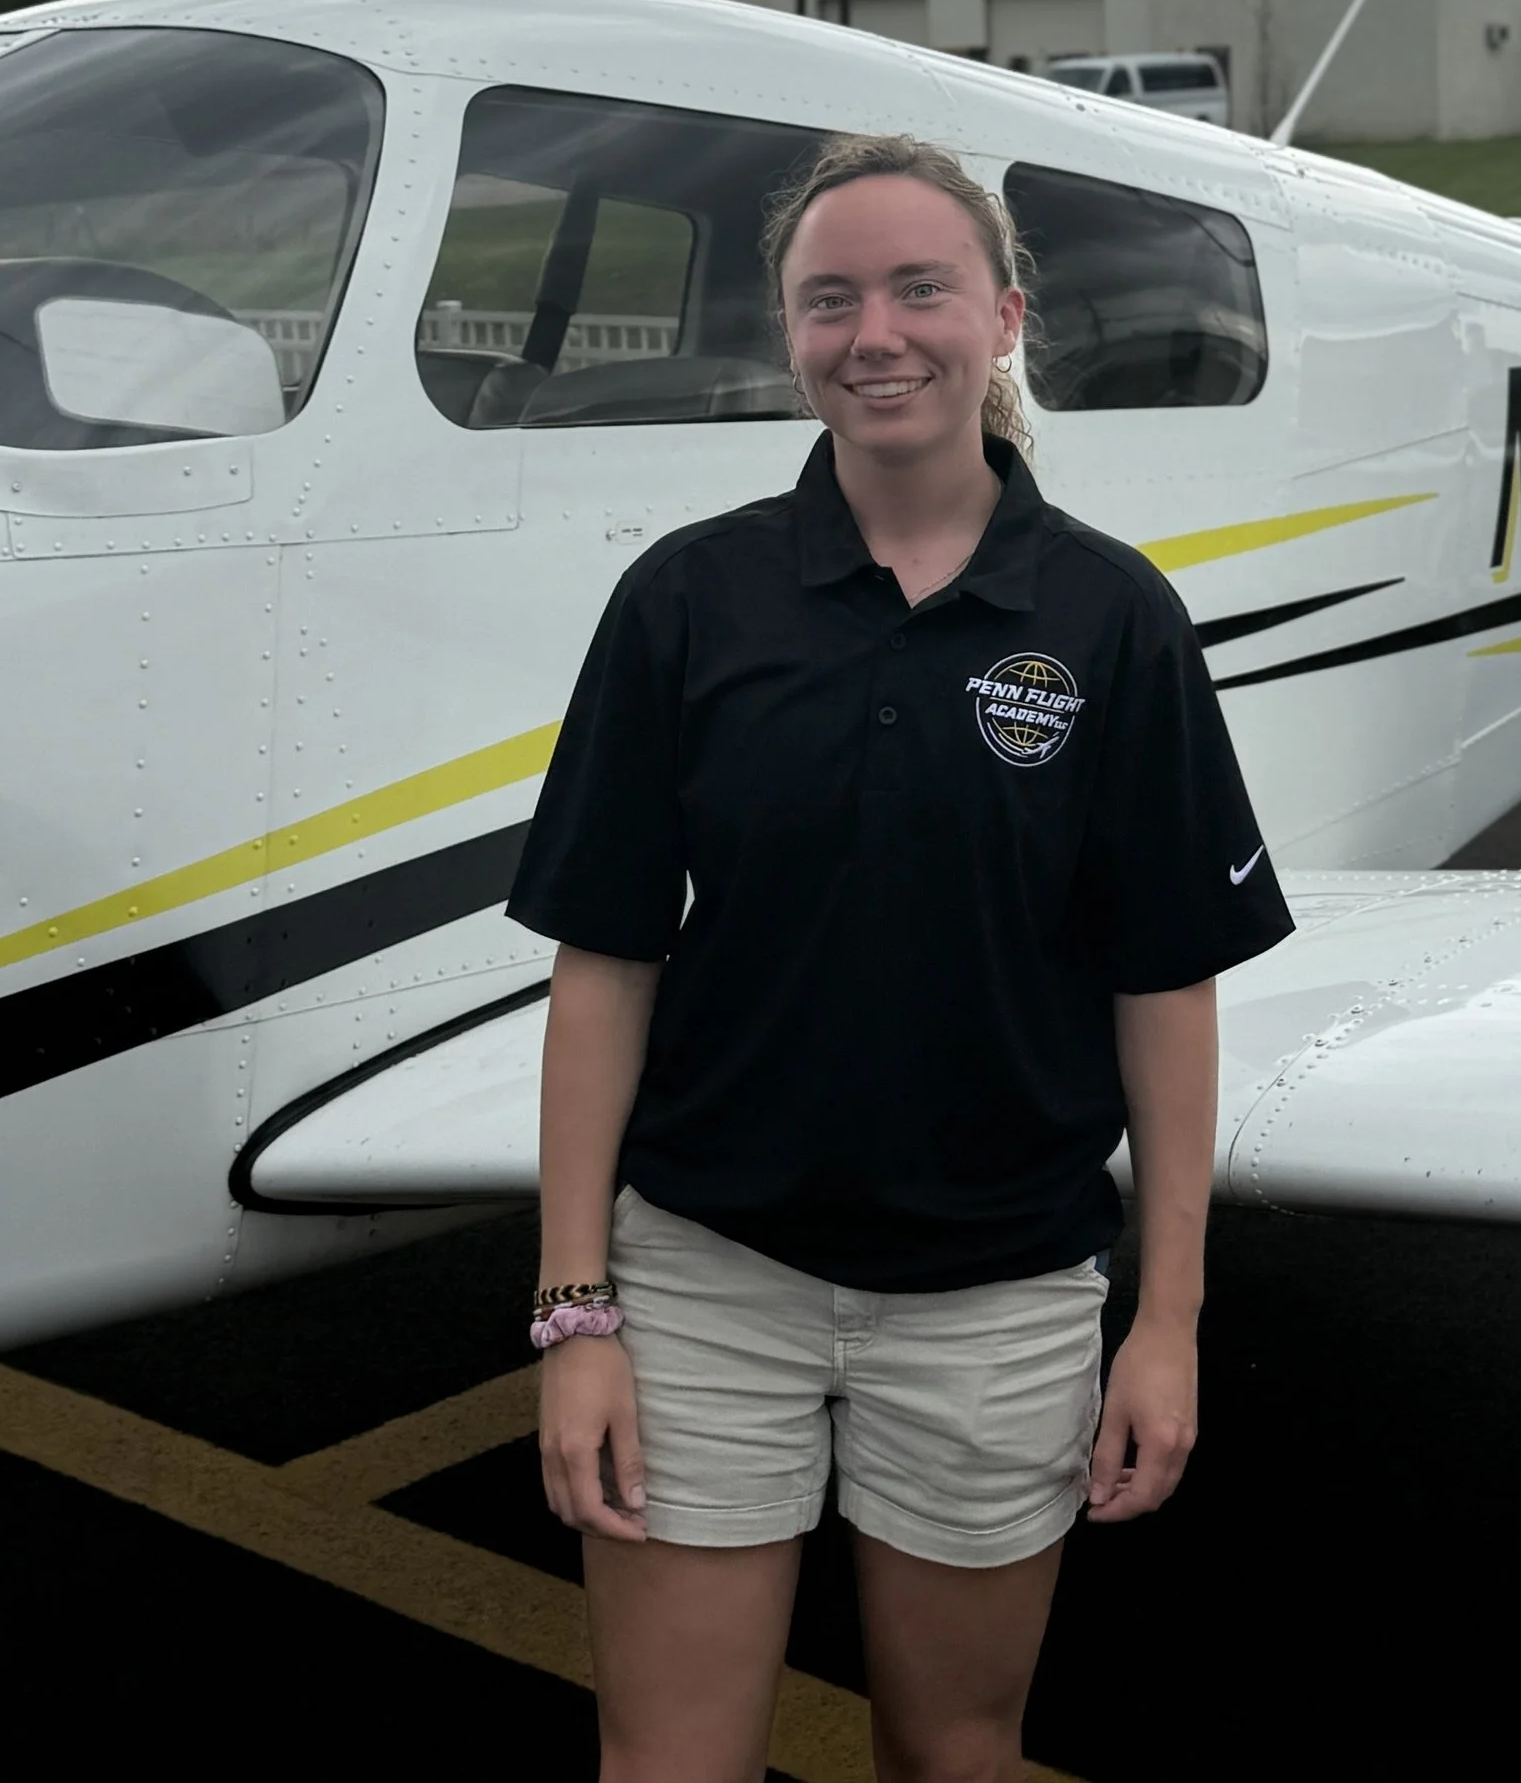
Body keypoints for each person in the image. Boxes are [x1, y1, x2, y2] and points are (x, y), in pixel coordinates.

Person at [509, 132, 1292, 1783]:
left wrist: (1169, 1320)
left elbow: (1166, 983)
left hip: (997, 1302)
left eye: (921, 288)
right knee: (669, 1766)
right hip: (711, 1280)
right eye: (829, 299)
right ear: (788, 340)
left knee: (957, 1754)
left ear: (1003, 316)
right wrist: (578, 1311)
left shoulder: (1111, 619)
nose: (877, 334)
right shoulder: (687, 602)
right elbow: (606, 967)